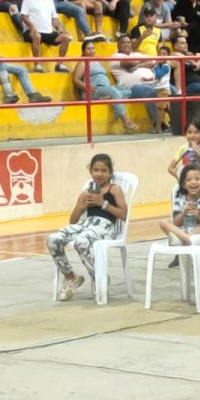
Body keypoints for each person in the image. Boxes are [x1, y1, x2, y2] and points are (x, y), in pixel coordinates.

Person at [49, 153, 128, 301]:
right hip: (86, 225)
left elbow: (124, 215)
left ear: (110, 172)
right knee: (53, 239)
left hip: (105, 227)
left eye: (104, 170)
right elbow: (73, 220)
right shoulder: (87, 191)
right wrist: (82, 206)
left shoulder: (114, 189)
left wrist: (103, 203)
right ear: (90, 171)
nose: (99, 174)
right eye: (96, 170)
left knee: (81, 241)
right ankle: (71, 277)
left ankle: (99, 275)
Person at [0, 2, 51, 105]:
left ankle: (32, 95)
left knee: (21, 69)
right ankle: (8, 94)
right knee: (1, 63)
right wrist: (0, 58)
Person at [73, 38, 138, 132]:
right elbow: (76, 80)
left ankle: (109, 98)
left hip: (105, 89)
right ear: (83, 51)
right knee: (114, 92)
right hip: (92, 91)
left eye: (93, 48)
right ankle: (125, 120)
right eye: (88, 49)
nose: (92, 51)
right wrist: (88, 87)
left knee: (127, 90)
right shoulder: (83, 62)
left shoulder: (98, 61)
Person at [159, 163, 200, 247]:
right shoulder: (179, 200)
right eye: (189, 180)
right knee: (163, 222)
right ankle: (186, 239)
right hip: (182, 233)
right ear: (183, 184)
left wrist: (199, 216)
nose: (193, 182)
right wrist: (184, 212)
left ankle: (187, 239)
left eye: (197, 179)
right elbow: (176, 223)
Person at [21, 0, 72, 73]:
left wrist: (60, 28)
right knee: (37, 36)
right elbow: (23, 16)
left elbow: (54, 19)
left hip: (48, 32)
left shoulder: (50, 0)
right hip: (31, 31)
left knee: (66, 37)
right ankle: (37, 65)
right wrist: (32, 27)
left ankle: (59, 64)